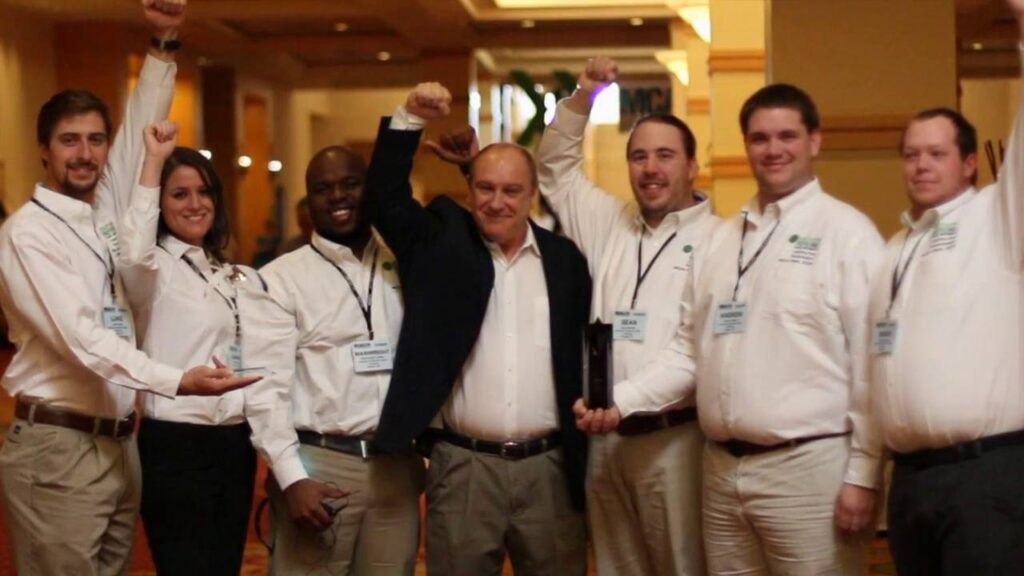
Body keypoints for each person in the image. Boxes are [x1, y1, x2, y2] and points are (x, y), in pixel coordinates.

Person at [583, 83, 884, 575]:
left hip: (808, 470)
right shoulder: (722, 241)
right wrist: (619, 403)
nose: (773, 149)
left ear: (815, 142)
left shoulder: (847, 236)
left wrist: (865, 476)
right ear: (745, 146)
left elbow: (873, 369)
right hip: (721, 473)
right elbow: (687, 352)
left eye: (787, 135)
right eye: (759, 138)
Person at [0, 1, 257, 573]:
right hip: (57, 443)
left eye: (96, 140)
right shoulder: (27, 234)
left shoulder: (103, 215)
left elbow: (146, 124)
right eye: (70, 141)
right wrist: (176, 381)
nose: (86, 154)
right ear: (43, 149)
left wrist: (163, 44)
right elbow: (84, 340)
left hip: (119, 442)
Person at [370, 83, 592, 575]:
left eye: (511, 191)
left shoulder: (565, 262)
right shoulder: (441, 242)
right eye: (485, 189)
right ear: (468, 189)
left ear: (532, 196)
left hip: (551, 469)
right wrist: (409, 117)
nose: (496, 202)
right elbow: (384, 199)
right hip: (465, 467)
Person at [536, 56, 718, 576]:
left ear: (691, 165)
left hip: (674, 443)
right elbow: (555, 170)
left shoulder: (719, 242)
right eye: (638, 157)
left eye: (665, 155)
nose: (650, 168)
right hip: (605, 442)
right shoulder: (610, 222)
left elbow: (692, 351)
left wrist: (621, 404)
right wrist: (583, 98)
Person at [868, 2, 1024, 572]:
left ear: (969, 166)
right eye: (911, 155)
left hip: (986, 476)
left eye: (936, 154)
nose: (921, 166)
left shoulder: (998, 219)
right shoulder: (894, 249)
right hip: (910, 481)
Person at [245, 145, 422, 574]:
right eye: (323, 188)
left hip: (396, 471)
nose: (338, 196)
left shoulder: (405, 262)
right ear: (309, 200)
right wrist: (292, 478)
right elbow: (264, 390)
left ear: (370, 189)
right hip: (321, 465)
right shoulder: (281, 279)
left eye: (350, 184)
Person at [118, 121, 262, 575]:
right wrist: (154, 163)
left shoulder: (224, 269)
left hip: (235, 443)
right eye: (179, 194)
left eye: (203, 192)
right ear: (160, 203)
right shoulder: (152, 268)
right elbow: (133, 249)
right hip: (178, 447)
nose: (195, 204)